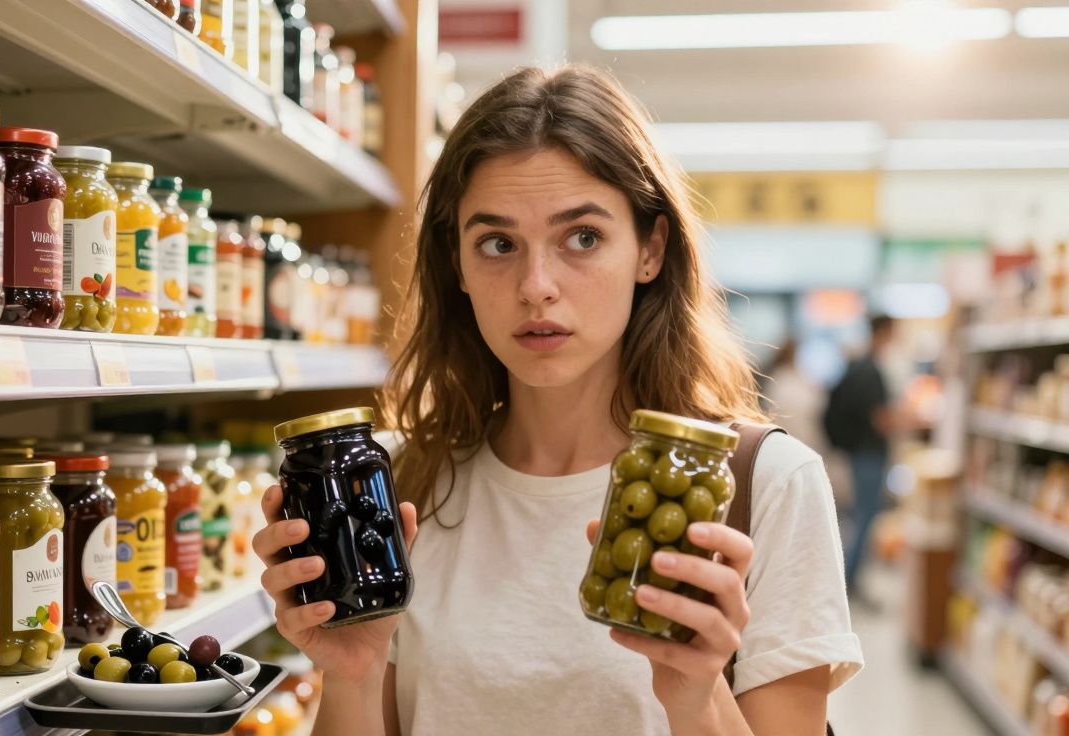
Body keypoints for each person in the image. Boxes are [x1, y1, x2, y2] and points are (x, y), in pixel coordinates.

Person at [253, 66, 862, 736]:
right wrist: (353, 673)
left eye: (583, 237)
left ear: (651, 250)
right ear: (455, 263)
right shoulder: (395, 485)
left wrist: (697, 692)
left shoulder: (764, 486)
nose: (536, 285)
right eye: (497, 244)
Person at [823, 314, 897, 600]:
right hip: (868, 455)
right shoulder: (871, 370)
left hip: (858, 453)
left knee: (859, 517)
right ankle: (847, 582)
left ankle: (848, 580)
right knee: (865, 518)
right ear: (884, 332)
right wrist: (912, 420)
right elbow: (880, 419)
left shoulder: (859, 366)